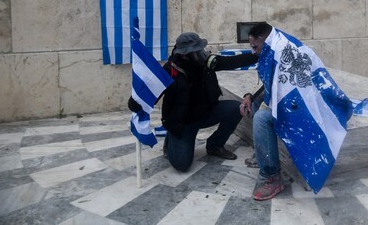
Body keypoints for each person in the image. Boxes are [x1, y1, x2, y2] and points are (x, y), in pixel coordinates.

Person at [238, 22, 353, 201]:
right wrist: (250, 96)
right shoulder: (273, 45)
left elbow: (293, 94)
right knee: (253, 106)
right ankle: (264, 154)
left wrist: (267, 107)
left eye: (254, 47)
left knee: (261, 118)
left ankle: (272, 177)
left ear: (263, 40)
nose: (253, 52)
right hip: (293, 98)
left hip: (306, 103)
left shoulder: (283, 52)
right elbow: (272, 83)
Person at [129, 32, 258, 172]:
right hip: (183, 123)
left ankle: (215, 145)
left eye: (200, 49)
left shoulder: (207, 63)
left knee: (235, 108)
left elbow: (231, 62)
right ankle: (171, 140)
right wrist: (136, 101)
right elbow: (150, 95)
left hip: (206, 113)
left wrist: (258, 55)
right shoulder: (169, 71)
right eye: (197, 51)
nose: (201, 53)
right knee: (182, 164)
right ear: (184, 54)